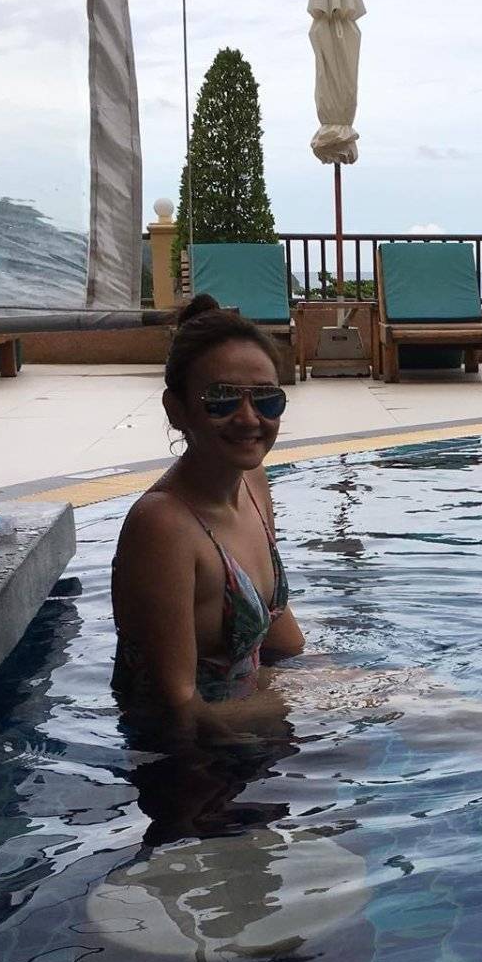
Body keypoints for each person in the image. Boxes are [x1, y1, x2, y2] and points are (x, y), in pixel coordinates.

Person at [113, 296, 305, 744]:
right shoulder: (164, 526)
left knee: (436, 703)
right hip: (196, 765)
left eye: (266, 399)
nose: (248, 418)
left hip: (253, 726)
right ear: (176, 409)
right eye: (221, 400)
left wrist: (343, 680)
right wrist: (323, 704)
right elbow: (178, 709)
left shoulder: (252, 481)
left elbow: (280, 635)